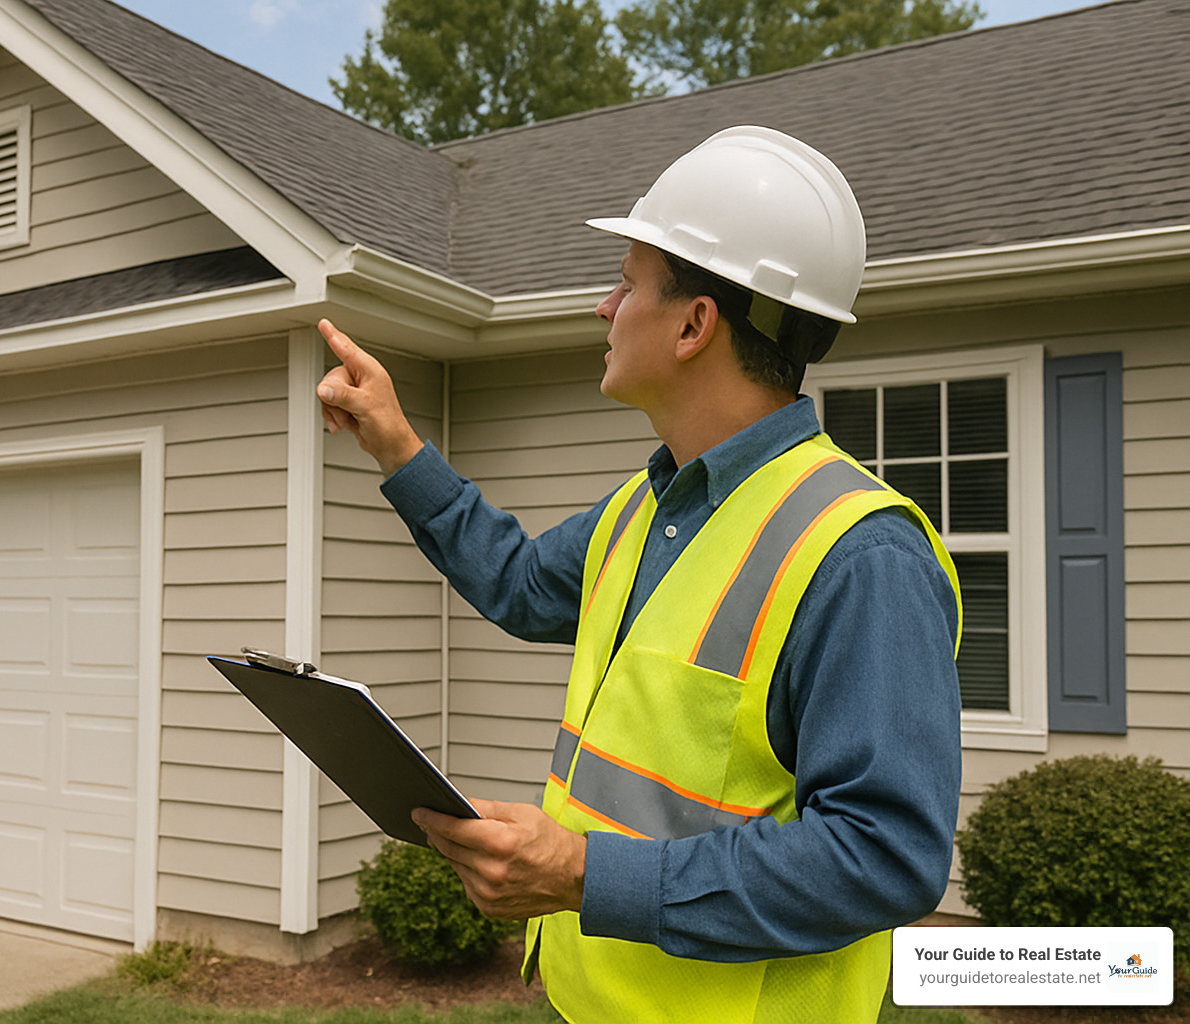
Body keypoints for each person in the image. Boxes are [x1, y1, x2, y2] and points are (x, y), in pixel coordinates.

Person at [315, 125, 962, 1023]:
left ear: (695, 324)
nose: (602, 307)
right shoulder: (646, 508)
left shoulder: (861, 555)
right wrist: (393, 439)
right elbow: (516, 581)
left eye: (624, 282)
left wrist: (582, 874)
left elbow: (884, 857)